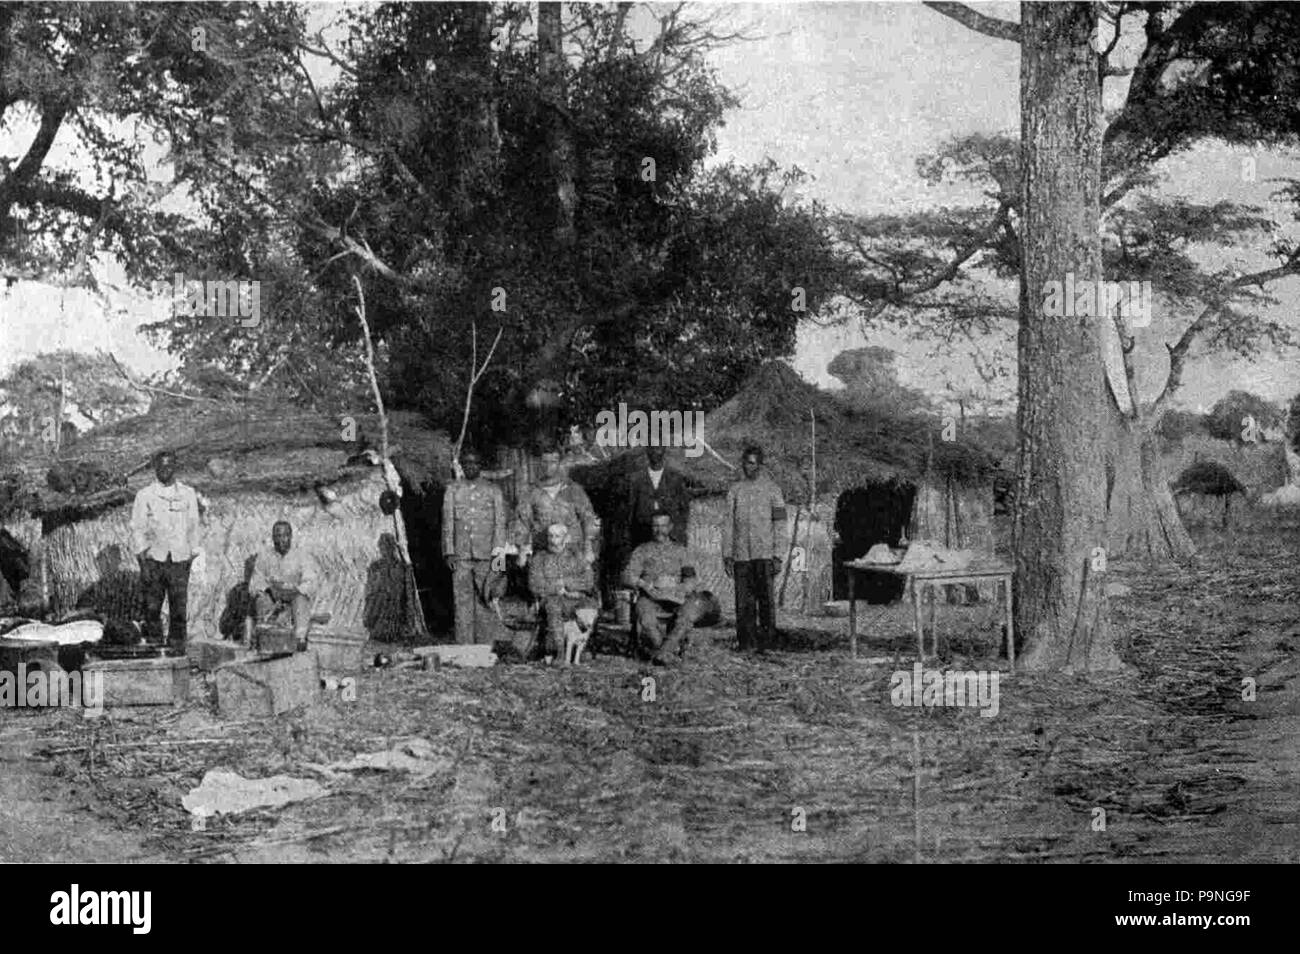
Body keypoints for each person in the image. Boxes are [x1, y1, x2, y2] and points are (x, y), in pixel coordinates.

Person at [130, 449, 203, 651]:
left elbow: (193, 526)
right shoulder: (145, 495)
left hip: (180, 559)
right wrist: (144, 559)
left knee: (178, 608)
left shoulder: (187, 494)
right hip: (155, 559)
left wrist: (192, 556)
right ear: (155, 468)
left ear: (175, 467)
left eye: (169, 466)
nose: (165, 470)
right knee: (152, 608)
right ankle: (154, 647)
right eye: (161, 466)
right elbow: (138, 528)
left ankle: (177, 649)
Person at [623, 512, 717, 666]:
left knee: (686, 617)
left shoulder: (681, 551)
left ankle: (662, 653)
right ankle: (666, 652)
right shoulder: (642, 550)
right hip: (650, 597)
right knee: (646, 620)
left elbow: (690, 579)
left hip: (676, 597)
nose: (659, 530)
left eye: (663, 526)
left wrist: (679, 589)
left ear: (670, 527)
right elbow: (628, 575)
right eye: (656, 526)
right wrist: (645, 585)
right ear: (651, 528)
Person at [721, 444, 787, 653]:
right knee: (743, 603)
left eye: (753, 463)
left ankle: (767, 643)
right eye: (746, 463)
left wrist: (778, 554)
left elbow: (780, 524)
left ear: (760, 465)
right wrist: (727, 555)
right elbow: (728, 524)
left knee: (766, 600)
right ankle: (746, 643)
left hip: (765, 554)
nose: (750, 467)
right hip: (742, 555)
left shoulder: (773, 490)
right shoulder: (735, 491)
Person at [442, 448, 508, 645]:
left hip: (487, 556)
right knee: (462, 602)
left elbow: (500, 526)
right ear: (461, 466)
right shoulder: (453, 489)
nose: (471, 466)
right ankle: (464, 648)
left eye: (475, 463)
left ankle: (485, 647)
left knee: (487, 599)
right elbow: (448, 523)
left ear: (481, 466)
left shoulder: (493, 490)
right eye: (467, 463)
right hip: (461, 556)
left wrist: (498, 563)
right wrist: (449, 552)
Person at [528, 523, 597, 659]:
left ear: (566, 539)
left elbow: (589, 581)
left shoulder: (577, 557)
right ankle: (559, 653)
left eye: (557, 536)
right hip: (551, 599)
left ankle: (581, 649)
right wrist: (556, 588)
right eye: (550, 536)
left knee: (590, 606)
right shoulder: (539, 558)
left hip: (575, 597)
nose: (553, 540)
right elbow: (534, 584)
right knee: (554, 607)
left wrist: (567, 584)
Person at [515, 449, 597, 564]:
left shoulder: (573, 489)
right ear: (539, 463)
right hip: (543, 551)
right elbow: (522, 522)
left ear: (559, 463)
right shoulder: (531, 492)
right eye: (545, 462)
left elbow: (588, 518)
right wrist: (522, 551)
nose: (548, 466)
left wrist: (588, 548)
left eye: (553, 462)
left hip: (572, 551)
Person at [248, 520, 319, 646]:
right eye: (277, 536)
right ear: (273, 537)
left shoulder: (302, 556)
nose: (281, 540)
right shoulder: (264, 556)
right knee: (261, 599)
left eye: (285, 535)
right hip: (273, 598)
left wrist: (295, 591)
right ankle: (266, 638)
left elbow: (311, 582)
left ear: (290, 536)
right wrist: (269, 591)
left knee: (301, 599)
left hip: (294, 597)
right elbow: (255, 583)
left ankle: (299, 639)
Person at [624, 444, 690, 548]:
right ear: (647, 451)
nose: (655, 452)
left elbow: (684, 509)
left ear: (664, 450)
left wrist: (676, 534)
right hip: (642, 538)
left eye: (659, 448)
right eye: (652, 448)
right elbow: (630, 511)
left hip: (670, 539)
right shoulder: (636, 479)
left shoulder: (676, 478)